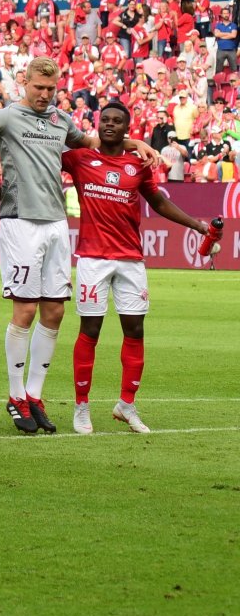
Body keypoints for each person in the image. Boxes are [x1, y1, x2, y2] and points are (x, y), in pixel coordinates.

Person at [0, 57, 159, 435]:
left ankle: (34, 394)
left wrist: (135, 141)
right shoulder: (5, 116)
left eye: (50, 89)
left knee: (54, 313)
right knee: (26, 310)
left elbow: (95, 141)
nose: (44, 95)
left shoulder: (60, 120)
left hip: (56, 224)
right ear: (23, 82)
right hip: (20, 223)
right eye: (38, 88)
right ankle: (15, 396)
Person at [62, 103, 210, 435]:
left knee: (135, 330)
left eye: (117, 122)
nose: (110, 125)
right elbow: (46, 153)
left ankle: (126, 405)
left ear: (126, 128)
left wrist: (196, 226)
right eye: (106, 121)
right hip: (92, 257)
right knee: (91, 331)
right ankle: (81, 407)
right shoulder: (79, 159)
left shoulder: (138, 164)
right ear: (98, 125)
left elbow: (157, 201)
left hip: (130, 258)